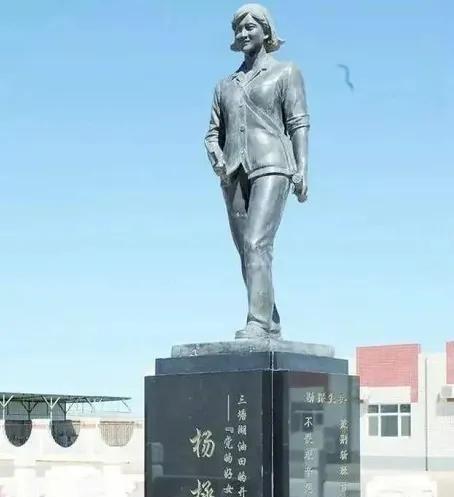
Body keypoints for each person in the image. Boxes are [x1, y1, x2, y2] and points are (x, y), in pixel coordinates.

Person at [205, 3, 310, 339]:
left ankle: (258, 321)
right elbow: (212, 133)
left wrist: (302, 168)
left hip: (273, 165)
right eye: (238, 29)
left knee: (256, 242)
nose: (243, 33)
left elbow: (298, 122)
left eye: (250, 27)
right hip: (233, 173)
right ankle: (270, 318)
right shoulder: (225, 85)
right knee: (246, 250)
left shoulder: (286, 72)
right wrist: (216, 156)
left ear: (266, 31)